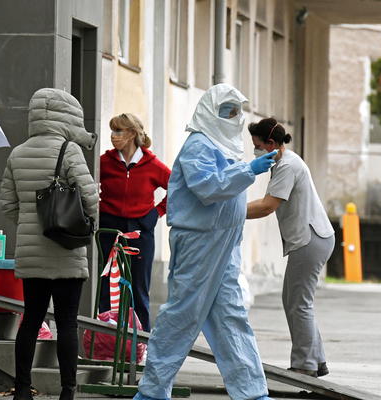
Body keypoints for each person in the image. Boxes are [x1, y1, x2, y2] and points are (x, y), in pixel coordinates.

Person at [134, 84, 277, 400]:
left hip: (224, 242)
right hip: (199, 240)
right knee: (183, 312)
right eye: (226, 111)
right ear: (209, 112)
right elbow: (208, 188)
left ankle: (252, 391)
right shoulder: (199, 146)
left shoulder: (226, 148)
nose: (232, 117)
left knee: (230, 315)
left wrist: (245, 168)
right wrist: (249, 170)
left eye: (235, 111)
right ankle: (152, 391)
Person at [0, 88, 99, 400]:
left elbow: (7, 204)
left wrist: (30, 223)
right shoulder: (69, 150)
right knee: (67, 322)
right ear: (67, 116)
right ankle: (68, 391)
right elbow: (89, 196)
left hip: (31, 252)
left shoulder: (18, 152)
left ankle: (22, 390)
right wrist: (86, 226)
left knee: (31, 318)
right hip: (67, 250)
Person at [246, 117, 335, 378]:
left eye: (257, 146)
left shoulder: (286, 166)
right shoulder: (285, 160)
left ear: (271, 143)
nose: (256, 150)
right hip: (312, 238)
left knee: (299, 303)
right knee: (295, 301)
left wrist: (230, 210)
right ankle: (316, 359)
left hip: (310, 240)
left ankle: (304, 364)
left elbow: (267, 206)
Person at [98, 113, 171, 332]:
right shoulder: (104, 162)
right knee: (106, 286)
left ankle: (141, 343)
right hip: (109, 227)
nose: (113, 136)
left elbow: (177, 189)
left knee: (138, 288)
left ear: (131, 134)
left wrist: (157, 212)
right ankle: (106, 340)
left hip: (140, 230)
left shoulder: (153, 165)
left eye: (118, 131)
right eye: (112, 131)